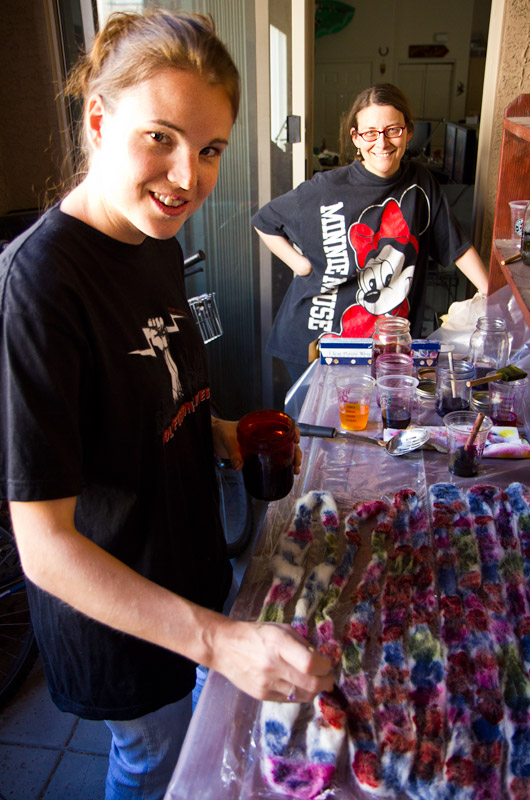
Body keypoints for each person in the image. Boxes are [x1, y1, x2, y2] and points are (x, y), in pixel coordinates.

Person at [0, 10, 333, 800]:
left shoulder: (155, 241)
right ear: (97, 119)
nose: (189, 176)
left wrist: (217, 432)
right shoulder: (39, 287)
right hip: (121, 617)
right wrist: (219, 643)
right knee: (152, 762)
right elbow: (43, 545)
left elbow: (151, 396)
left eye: (211, 148)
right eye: (161, 137)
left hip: (191, 568)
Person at [252, 83, 489, 384]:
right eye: (370, 132)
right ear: (356, 137)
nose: (382, 142)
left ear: (408, 131)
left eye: (393, 130)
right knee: (321, 427)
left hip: (383, 344)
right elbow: (264, 220)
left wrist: (490, 295)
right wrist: (301, 265)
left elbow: (456, 245)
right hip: (316, 337)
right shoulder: (326, 188)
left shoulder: (421, 184)